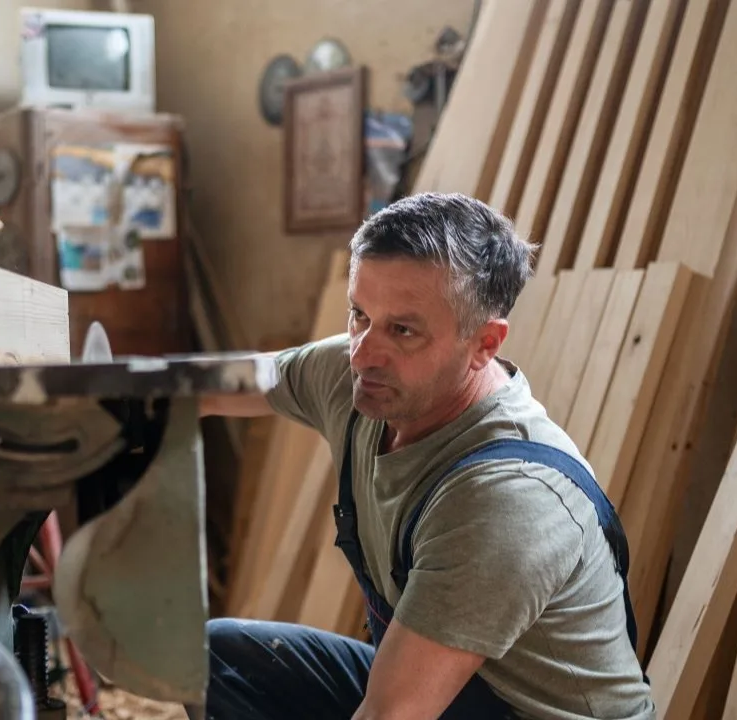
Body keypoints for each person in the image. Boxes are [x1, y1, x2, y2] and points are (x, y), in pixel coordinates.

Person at [192, 193, 655, 719]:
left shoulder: (506, 499)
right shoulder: (366, 378)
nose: (362, 353)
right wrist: (135, 396)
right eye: (359, 314)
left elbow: (390, 715)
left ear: (484, 343)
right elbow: (244, 379)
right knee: (221, 659)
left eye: (403, 330)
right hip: (459, 703)